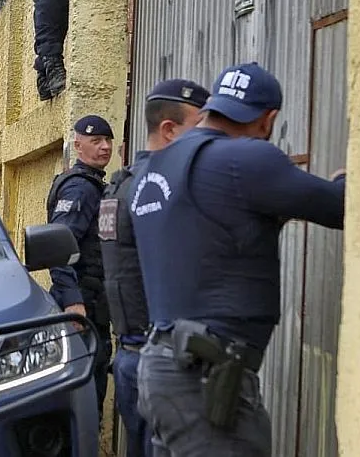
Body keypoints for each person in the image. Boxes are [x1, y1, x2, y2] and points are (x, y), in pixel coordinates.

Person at [128, 63, 346, 455]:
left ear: (212, 106)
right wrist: (347, 179)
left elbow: (209, 235)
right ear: (269, 119)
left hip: (161, 369)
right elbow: (342, 206)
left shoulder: (152, 169)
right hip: (204, 377)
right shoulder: (245, 160)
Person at [99, 79, 210, 457]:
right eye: (200, 127)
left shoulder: (122, 185)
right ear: (169, 130)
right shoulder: (157, 187)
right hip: (158, 358)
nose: (208, 139)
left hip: (132, 354)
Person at [45, 114, 114, 416]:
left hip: (94, 305)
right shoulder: (80, 189)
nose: (104, 147)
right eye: (96, 141)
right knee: (83, 399)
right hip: (82, 310)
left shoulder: (93, 185)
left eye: (107, 140)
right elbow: (58, 247)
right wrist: (73, 301)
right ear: (78, 145)